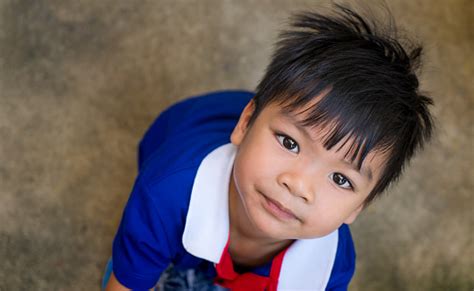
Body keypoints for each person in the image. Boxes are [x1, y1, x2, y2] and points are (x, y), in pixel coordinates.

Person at [103, 4, 434, 291]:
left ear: (357, 208)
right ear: (245, 123)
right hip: (177, 141)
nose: (299, 185)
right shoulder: (166, 193)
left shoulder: (331, 267)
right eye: (290, 142)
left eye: (341, 179)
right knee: (138, 258)